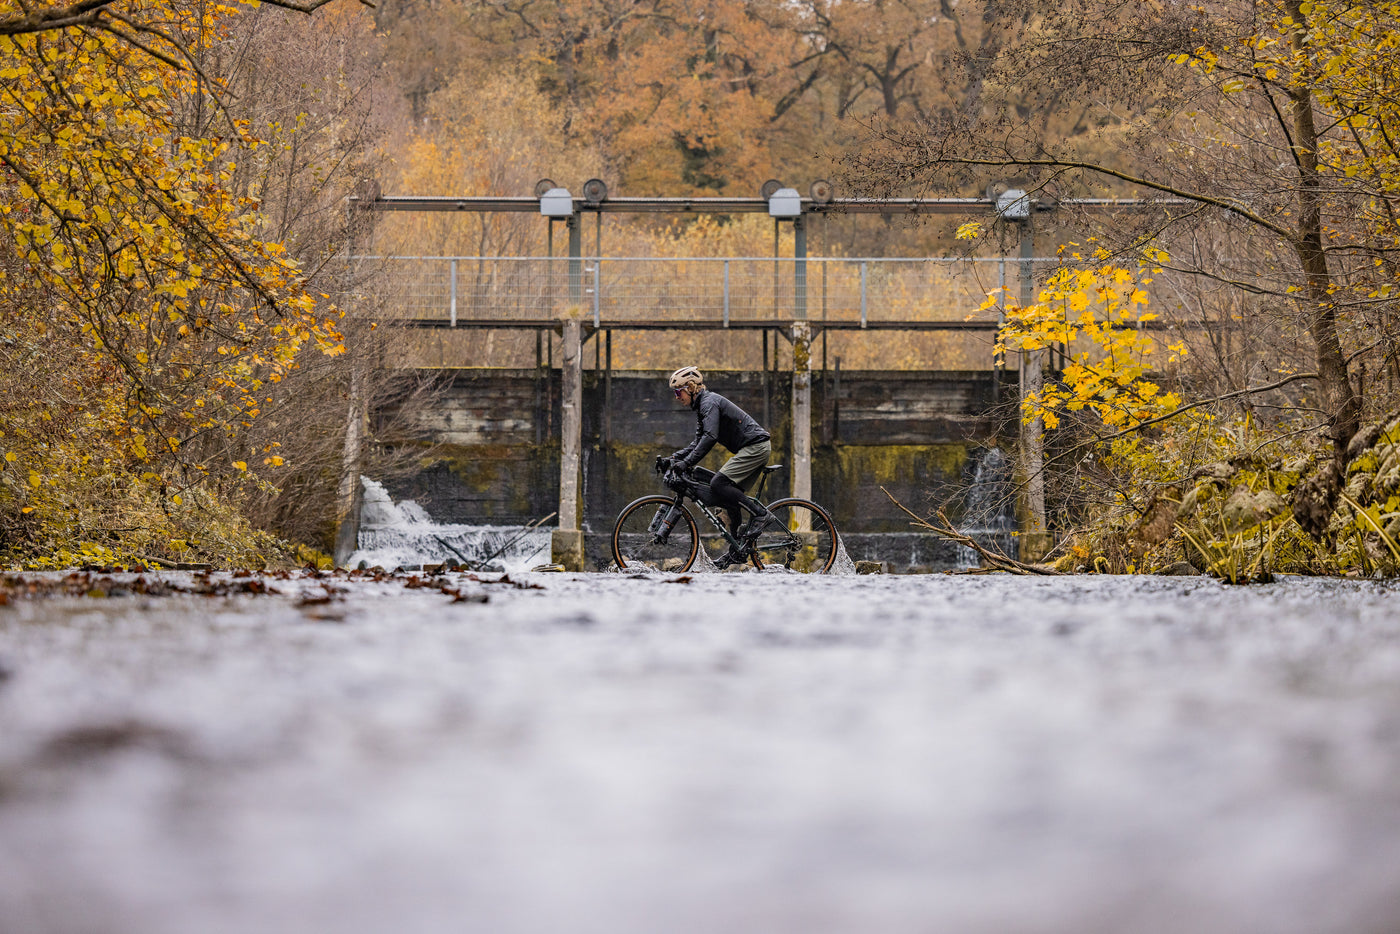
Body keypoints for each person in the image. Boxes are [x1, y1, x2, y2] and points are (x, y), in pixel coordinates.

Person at [661, 366, 774, 555]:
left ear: (690, 387)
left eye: (678, 391)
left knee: (718, 483)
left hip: (756, 447)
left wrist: (686, 463)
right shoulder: (702, 407)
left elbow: (710, 437)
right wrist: (672, 458)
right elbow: (697, 442)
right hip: (751, 448)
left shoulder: (709, 402)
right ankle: (737, 550)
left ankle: (761, 515)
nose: (677, 396)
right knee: (729, 498)